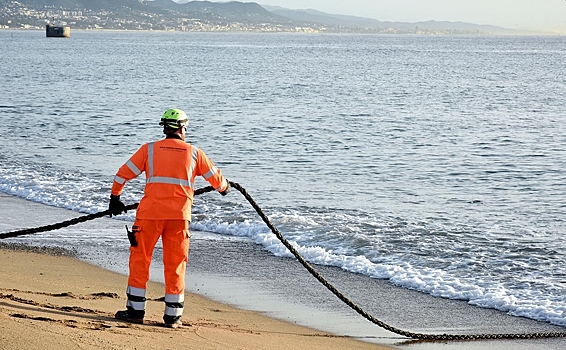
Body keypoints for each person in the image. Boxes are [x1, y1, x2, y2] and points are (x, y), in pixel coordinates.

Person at [108, 108, 230, 328]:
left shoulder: (149, 150)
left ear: (164, 128)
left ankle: (135, 312)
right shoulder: (195, 153)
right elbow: (218, 182)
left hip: (149, 217)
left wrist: (115, 197)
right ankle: (172, 317)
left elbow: (122, 174)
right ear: (183, 128)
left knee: (140, 260)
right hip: (179, 219)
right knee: (175, 265)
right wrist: (225, 188)